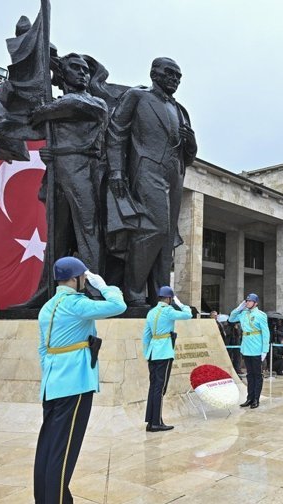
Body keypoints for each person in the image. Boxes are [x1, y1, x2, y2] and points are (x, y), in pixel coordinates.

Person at [19, 54, 110, 308]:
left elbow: (77, 108)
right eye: (75, 69)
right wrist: (51, 152)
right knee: (57, 236)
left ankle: (94, 288)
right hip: (57, 169)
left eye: (85, 70)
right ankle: (47, 290)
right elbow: (30, 123)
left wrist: (44, 111)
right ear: (62, 74)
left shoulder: (94, 102)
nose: (83, 73)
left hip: (83, 169)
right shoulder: (55, 105)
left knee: (87, 231)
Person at [107, 57, 198, 307]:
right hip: (147, 169)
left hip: (175, 174)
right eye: (170, 73)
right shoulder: (138, 97)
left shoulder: (180, 110)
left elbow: (188, 157)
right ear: (154, 74)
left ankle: (161, 294)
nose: (175, 80)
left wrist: (191, 142)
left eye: (179, 76)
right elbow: (116, 133)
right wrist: (116, 170)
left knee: (167, 236)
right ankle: (133, 292)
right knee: (152, 228)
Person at [34, 257, 126, 503]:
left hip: (52, 384)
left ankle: (45, 498)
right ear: (76, 279)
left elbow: (43, 350)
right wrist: (104, 286)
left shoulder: (48, 307)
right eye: (84, 278)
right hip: (74, 383)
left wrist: (53, 373)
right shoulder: (77, 304)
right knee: (64, 450)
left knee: (48, 445)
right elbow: (118, 306)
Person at [142, 286, 192, 432]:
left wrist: (147, 353)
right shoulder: (168, 311)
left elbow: (146, 336)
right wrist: (182, 304)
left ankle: (151, 421)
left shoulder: (151, 312)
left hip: (152, 353)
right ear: (169, 299)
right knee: (160, 388)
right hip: (163, 352)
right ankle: (156, 422)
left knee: (153, 387)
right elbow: (188, 314)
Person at [229, 293, 270, 409]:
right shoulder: (243, 314)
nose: (247, 303)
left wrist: (264, 350)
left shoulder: (261, 315)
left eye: (249, 301)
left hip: (257, 348)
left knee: (257, 375)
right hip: (246, 347)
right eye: (246, 301)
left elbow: (266, 333)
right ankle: (249, 398)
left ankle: (256, 399)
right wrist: (239, 308)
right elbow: (231, 319)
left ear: (255, 303)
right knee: (249, 374)